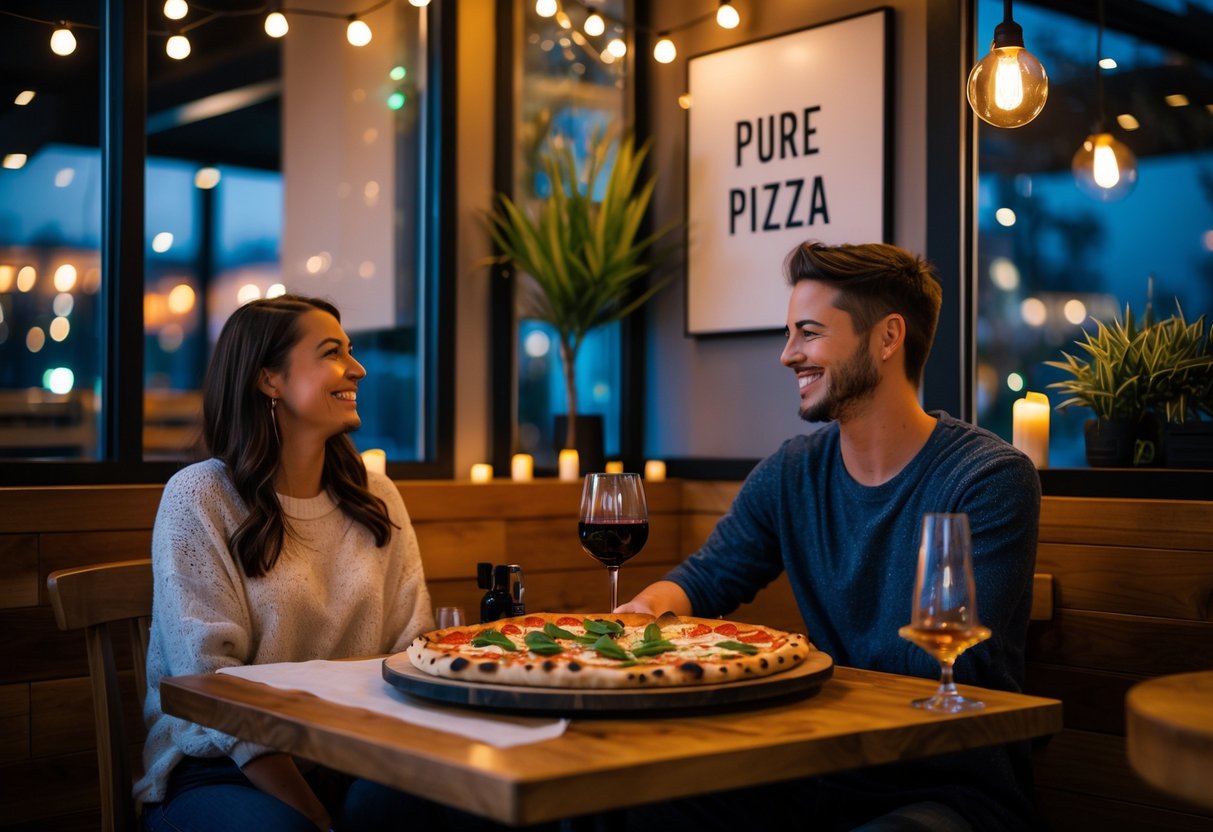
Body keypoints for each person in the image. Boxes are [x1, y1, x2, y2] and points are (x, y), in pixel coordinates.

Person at [618, 241, 1041, 832]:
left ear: (887, 338)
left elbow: (953, 665)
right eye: (789, 334)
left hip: (948, 789)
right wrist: (647, 611)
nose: (788, 355)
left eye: (809, 334)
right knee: (629, 809)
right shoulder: (792, 473)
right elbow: (707, 577)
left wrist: (783, 661)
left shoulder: (988, 478)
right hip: (816, 773)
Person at [135, 295, 435, 832]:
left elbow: (414, 651)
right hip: (219, 769)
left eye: (351, 351)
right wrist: (320, 819)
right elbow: (213, 689)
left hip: (354, 760)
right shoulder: (201, 497)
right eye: (331, 353)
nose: (357, 368)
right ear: (269, 379)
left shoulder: (377, 496)